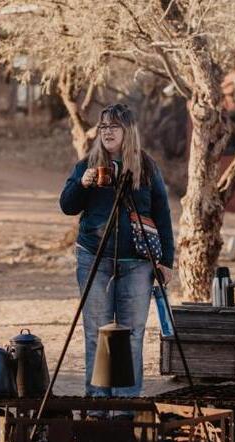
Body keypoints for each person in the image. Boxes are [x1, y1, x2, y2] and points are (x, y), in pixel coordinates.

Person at [60, 103, 174, 405]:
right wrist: (82, 184)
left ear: (128, 131)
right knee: (96, 332)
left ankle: (126, 404)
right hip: (93, 258)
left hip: (137, 262)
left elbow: (162, 214)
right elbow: (67, 205)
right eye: (104, 127)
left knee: (132, 333)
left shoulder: (147, 168)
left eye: (114, 126)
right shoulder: (88, 164)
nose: (107, 132)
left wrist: (166, 262)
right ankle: (97, 403)